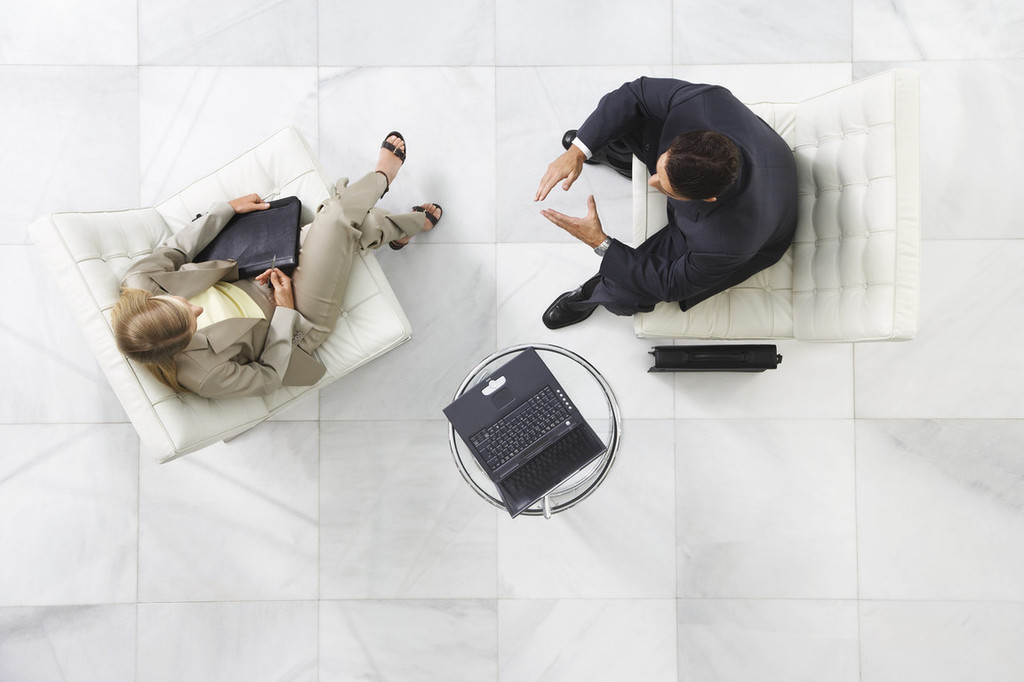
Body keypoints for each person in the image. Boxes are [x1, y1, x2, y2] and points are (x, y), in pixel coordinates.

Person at [112, 132, 442, 398]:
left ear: (153, 301)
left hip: (259, 268)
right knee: (336, 218)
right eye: (192, 324)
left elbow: (177, 249)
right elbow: (269, 377)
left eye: (182, 305)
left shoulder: (140, 281)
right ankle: (382, 177)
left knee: (354, 229)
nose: (196, 309)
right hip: (294, 321)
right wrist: (284, 310)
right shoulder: (203, 375)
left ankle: (402, 229)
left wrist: (226, 209)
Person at [534, 76, 797, 329]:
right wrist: (578, 151)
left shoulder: (727, 242)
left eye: (665, 187)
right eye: (659, 170)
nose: (652, 182)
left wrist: (600, 243)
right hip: (757, 157)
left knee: (625, 293)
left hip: (724, 228)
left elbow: (671, 284)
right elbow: (634, 94)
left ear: (706, 199)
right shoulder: (703, 102)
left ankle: (591, 293)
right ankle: (618, 156)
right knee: (637, 115)